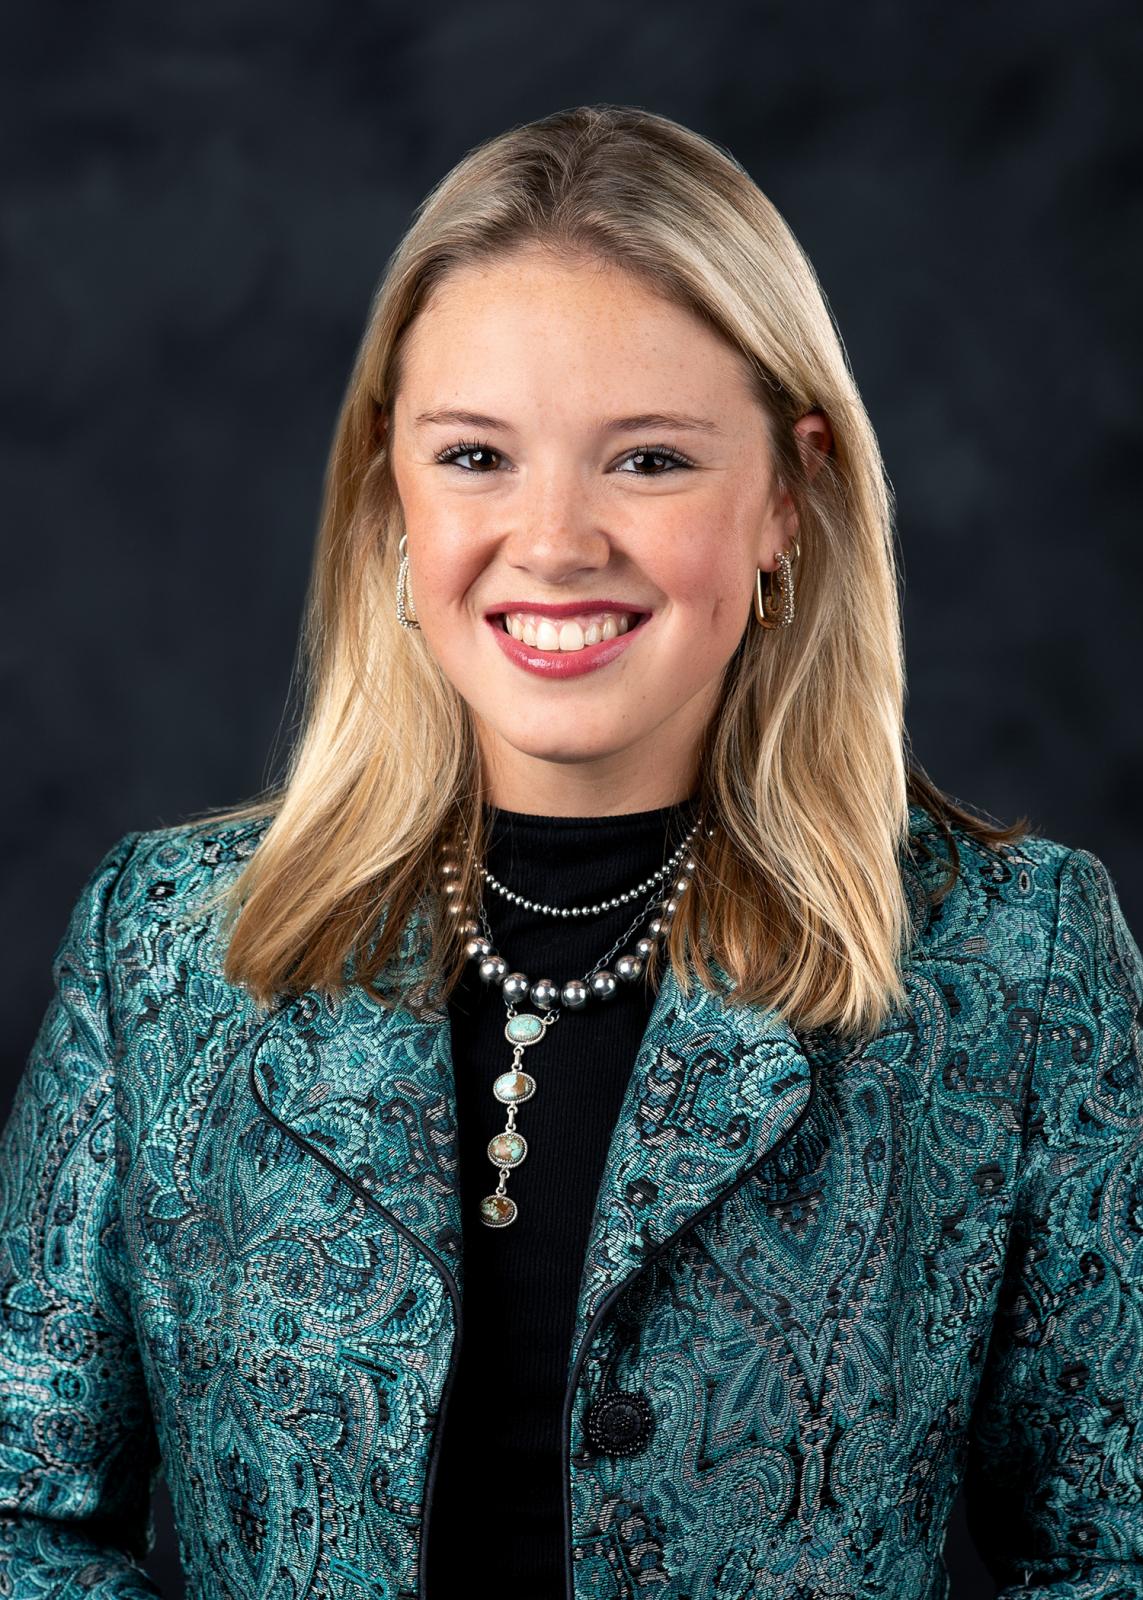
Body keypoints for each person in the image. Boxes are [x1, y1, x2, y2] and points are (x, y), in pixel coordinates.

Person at [1, 103, 1140, 1600]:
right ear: (388, 492)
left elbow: (1118, 1549)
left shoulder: (1016, 960)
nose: (551, 539)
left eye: (649, 460)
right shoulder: (165, 948)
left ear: (787, 496)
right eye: (475, 453)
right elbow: (23, 1517)